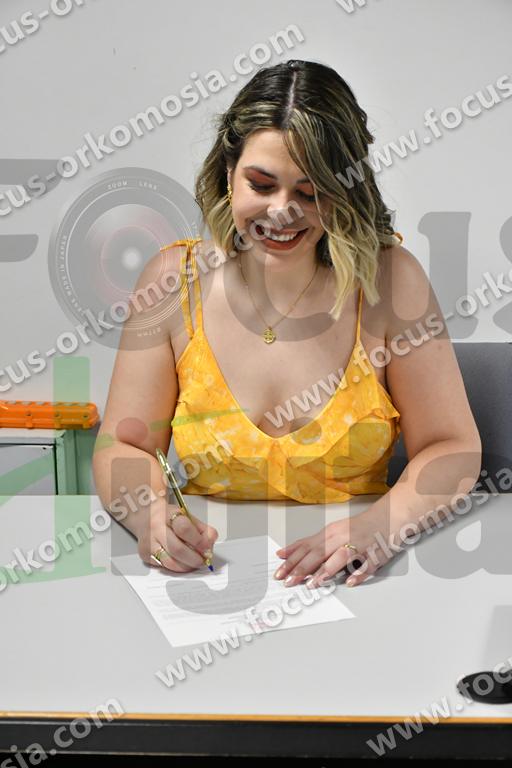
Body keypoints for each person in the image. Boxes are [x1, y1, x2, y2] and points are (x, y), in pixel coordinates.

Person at [92, 59, 481, 589]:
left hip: (352, 578)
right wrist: (151, 517)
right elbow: (125, 447)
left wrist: (381, 527)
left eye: (310, 192)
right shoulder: (172, 282)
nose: (282, 212)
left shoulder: (391, 281)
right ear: (228, 173)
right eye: (262, 184)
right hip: (210, 575)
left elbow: (452, 448)